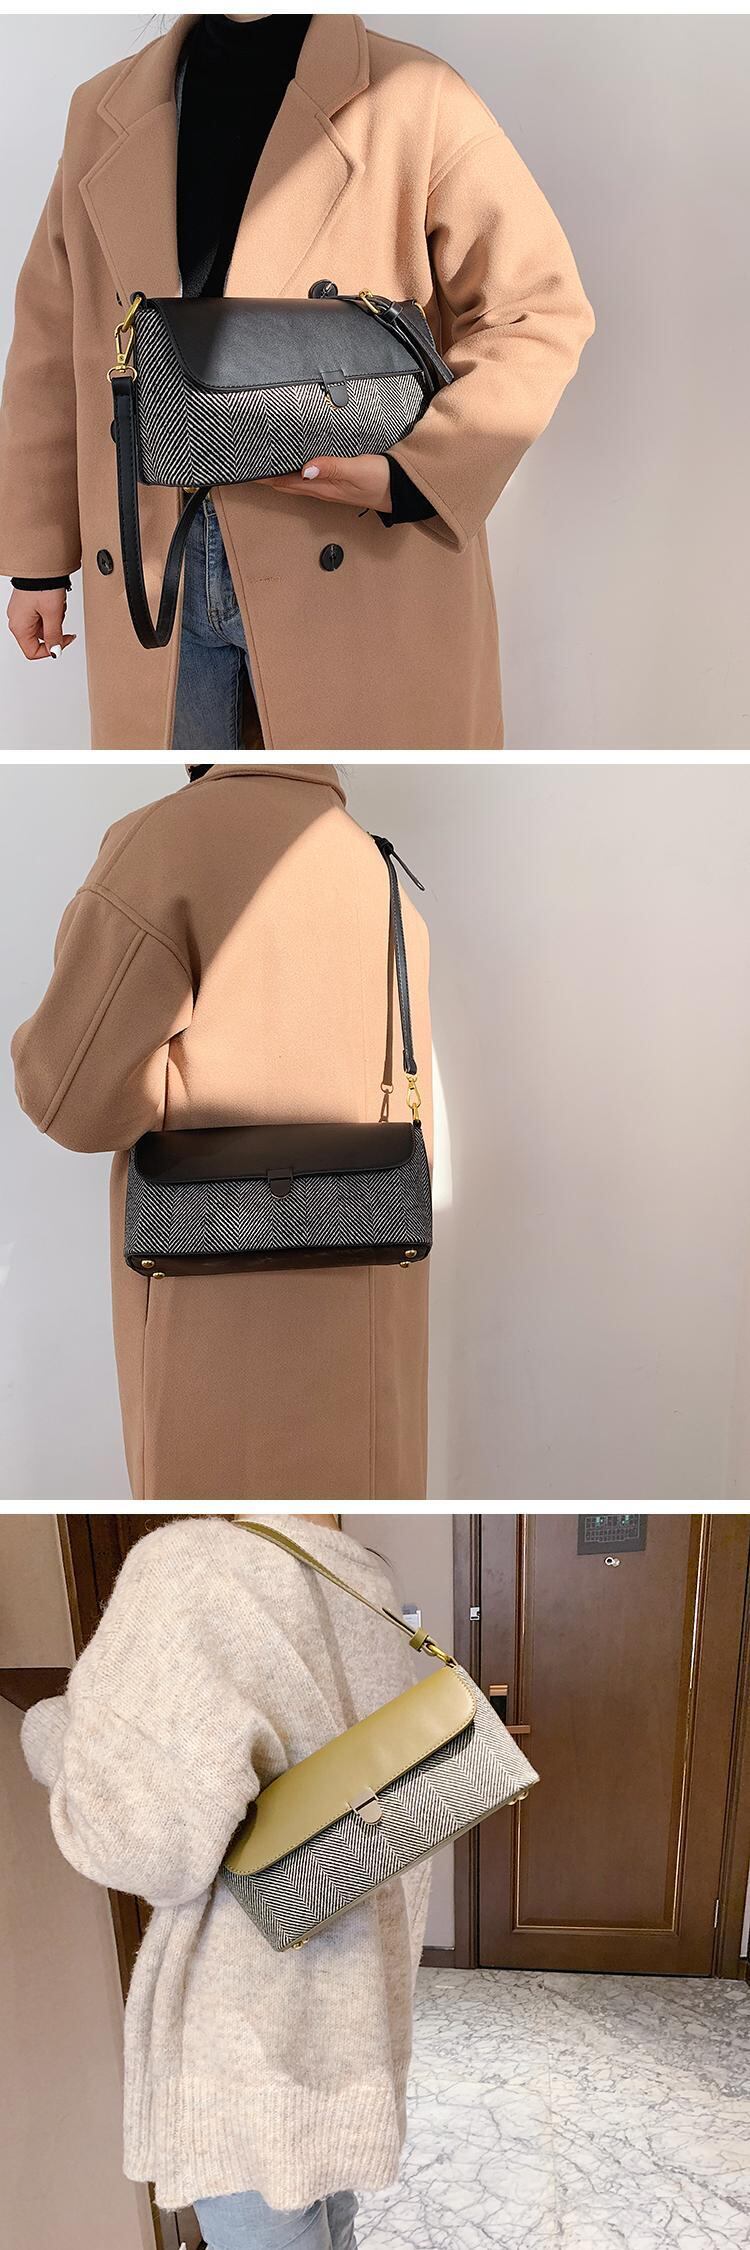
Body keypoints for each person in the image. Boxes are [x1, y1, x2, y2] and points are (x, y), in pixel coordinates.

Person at [0, 13, 594, 749]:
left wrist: (412, 477)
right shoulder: (103, 109)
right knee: (199, 799)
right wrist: (37, 563)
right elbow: (54, 345)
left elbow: (536, 309)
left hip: (355, 551)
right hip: (156, 563)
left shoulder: (416, 95)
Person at [11, 763, 432, 1501]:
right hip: (371, 1348)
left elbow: (69, 1098)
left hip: (218, 1346)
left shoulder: (163, 846)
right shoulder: (375, 865)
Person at [21, 1509, 432, 2249]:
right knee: (331, 2225)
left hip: (250, 2051)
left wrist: (49, 1731)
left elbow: (140, 1841)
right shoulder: (363, 1578)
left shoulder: (191, 1567)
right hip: (353, 2027)